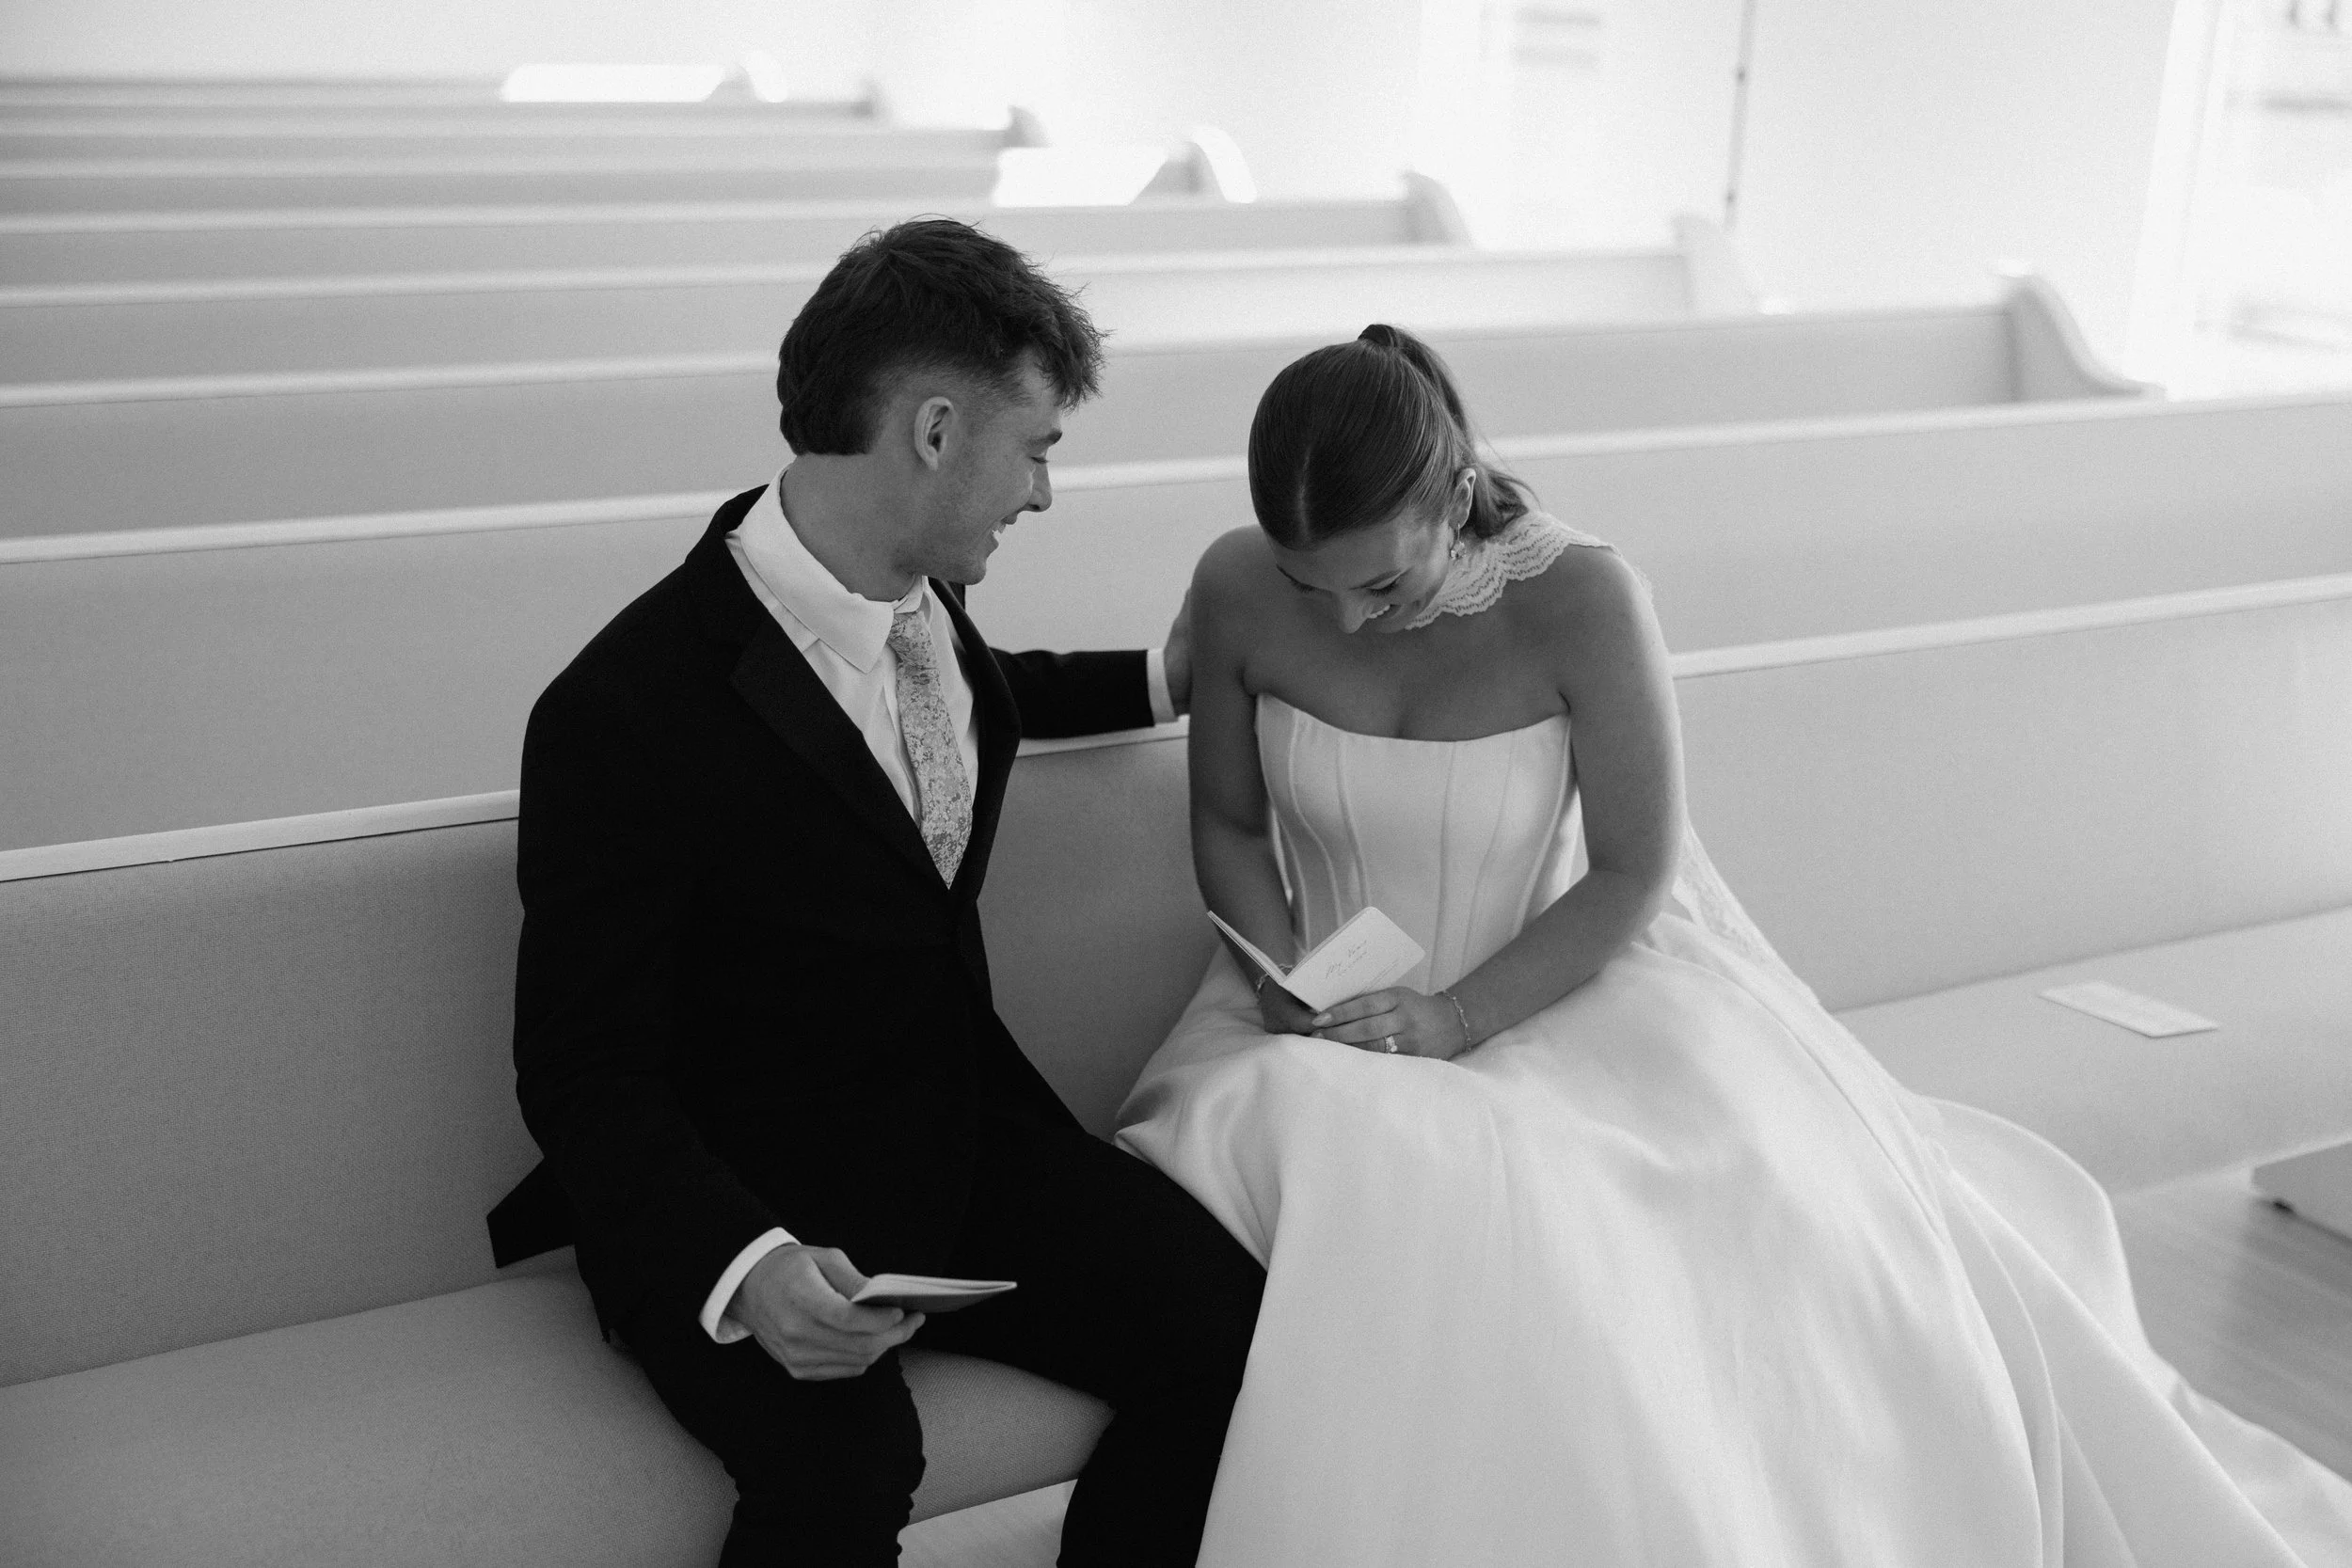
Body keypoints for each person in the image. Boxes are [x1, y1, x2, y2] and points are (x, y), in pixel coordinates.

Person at [1116, 323, 2352, 1566]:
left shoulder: (1585, 600)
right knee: (1333, 1168)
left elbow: (1631, 871)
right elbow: (1225, 820)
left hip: (1541, 988)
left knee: (1596, 1240)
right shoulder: (1234, 586)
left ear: (1448, 496)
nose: (1346, 617)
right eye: (1307, 581)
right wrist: (1284, 976)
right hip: (1305, 1010)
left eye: (1380, 584)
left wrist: (1455, 1020)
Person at [485, 218, 1264, 1566]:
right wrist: (747, 1266)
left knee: (1232, 1330)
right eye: (1037, 450)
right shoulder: (620, 711)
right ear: (935, 431)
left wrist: (1161, 677)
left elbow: (964, 705)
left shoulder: (918, 603)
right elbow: (583, 1070)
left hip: (956, 1142)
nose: (1042, 495)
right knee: (845, 1473)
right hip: (744, 1194)